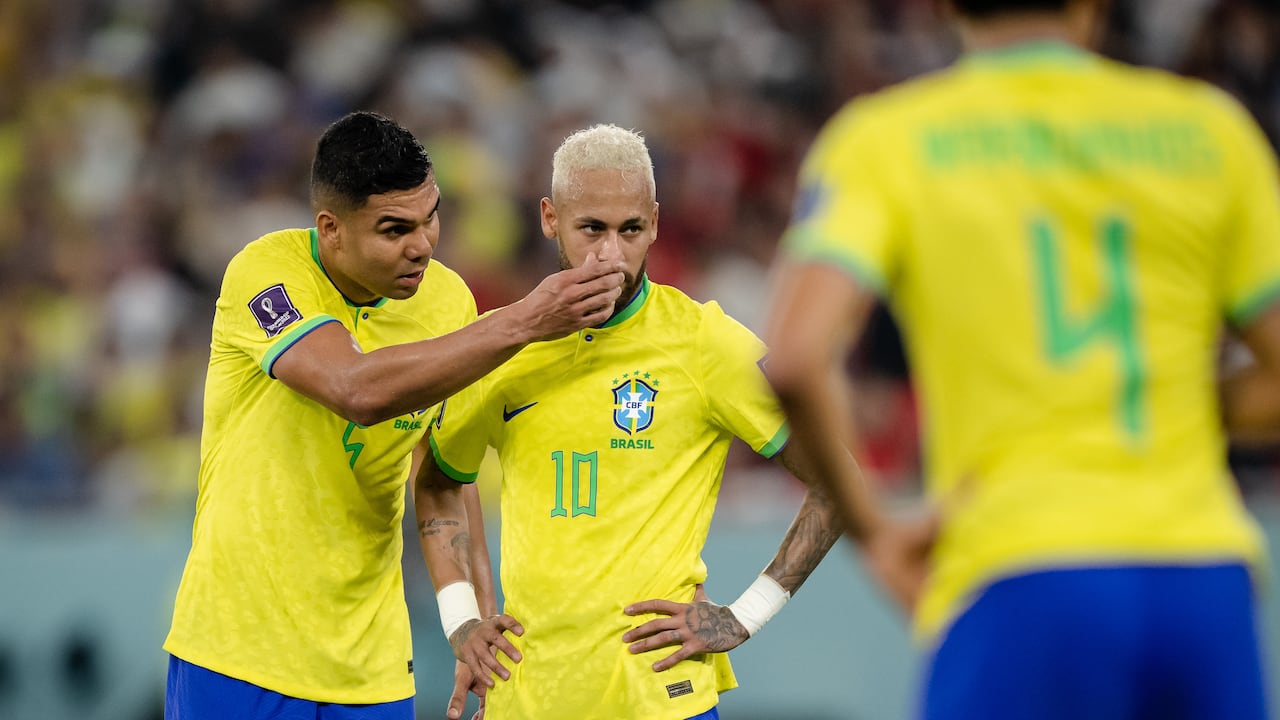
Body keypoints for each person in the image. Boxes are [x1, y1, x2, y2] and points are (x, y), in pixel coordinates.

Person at [762, 1, 1280, 719]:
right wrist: (1186, 401)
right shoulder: (1209, 131)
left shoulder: (890, 138)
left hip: (1022, 569)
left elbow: (793, 357)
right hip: (1201, 579)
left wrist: (875, 529)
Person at [162, 110, 627, 720]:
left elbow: (446, 477)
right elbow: (355, 389)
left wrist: (472, 624)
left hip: (372, 671)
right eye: (393, 229)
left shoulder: (448, 303)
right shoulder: (268, 273)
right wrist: (523, 320)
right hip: (235, 656)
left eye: (431, 216)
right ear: (332, 229)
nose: (423, 245)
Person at [413, 124, 858, 720]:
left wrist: (746, 613)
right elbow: (439, 481)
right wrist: (460, 618)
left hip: (660, 698)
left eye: (631, 230)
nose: (611, 256)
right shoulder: (502, 346)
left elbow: (839, 477)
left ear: (655, 222)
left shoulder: (704, 344)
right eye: (591, 228)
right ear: (550, 218)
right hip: (527, 699)